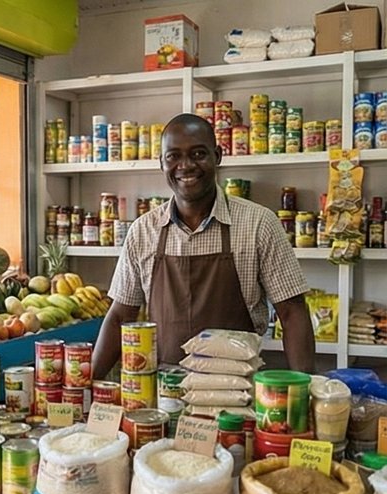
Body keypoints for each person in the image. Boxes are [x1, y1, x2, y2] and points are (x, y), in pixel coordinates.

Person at [93, 114, 313, 374]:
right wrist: (85, 387)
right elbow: (120, 316)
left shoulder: (259, 224)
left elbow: (292, 312)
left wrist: (305, 390)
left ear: (217, 156)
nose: (185, 166)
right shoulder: (143, 231)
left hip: (235, 393)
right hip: (164, 395)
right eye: (173, 156)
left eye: (198, 154)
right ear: (161, 163)